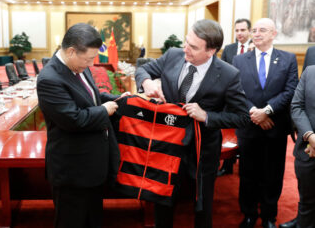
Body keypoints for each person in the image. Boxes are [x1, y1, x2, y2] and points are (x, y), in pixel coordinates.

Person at [135, 19, 250, 228]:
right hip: (166, 145)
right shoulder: (173, 55)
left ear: (211, 51)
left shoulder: (228, 74)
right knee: (162, 199)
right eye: (186, 42)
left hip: (203, 151)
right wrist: (147, 82)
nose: (185, 49)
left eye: (193, 47)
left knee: (202, 204)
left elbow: (242, 117)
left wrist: (207, 116)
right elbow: (143, 70)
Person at [37, 23, 129, 228]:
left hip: (92, 167)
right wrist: (104, 110)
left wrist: (118, 99)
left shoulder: (78, 67)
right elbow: (73, 119)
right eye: (88, 59)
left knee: (93, 220)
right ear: (71, 51)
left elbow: (92, 98)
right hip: (72, 171)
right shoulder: (50, 78)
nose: (90, 64)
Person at [232, 18, 299, 228]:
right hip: (249, 126)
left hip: (275, 128)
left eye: (263, 30)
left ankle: (269, 216)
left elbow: (290, 90)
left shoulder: (288, 59)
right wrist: (255, 112)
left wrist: (267, 111)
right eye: (255, 30)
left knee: (273, 174)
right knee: (248, 174)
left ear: (274, 34)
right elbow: (236, 92)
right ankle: (249, 214)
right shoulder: (239, 60)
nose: (257, 33)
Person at [278, 48, 315, 228]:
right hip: (307, 148)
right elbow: (296, 106)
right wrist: (310, 135)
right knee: (306, 193)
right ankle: (302, 221)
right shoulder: (310, 72)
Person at [219, 18, 252, 176]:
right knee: (229, 131)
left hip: (251, 97)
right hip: (230, 96)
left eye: (243, 30)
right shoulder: (229, 49)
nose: (239, 33)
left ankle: (246, 164)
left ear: (249, 31)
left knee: (246, 132)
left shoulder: (255, 48)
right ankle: (227, 165)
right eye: (237, 30)